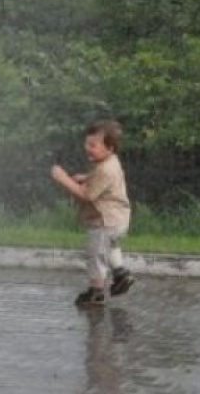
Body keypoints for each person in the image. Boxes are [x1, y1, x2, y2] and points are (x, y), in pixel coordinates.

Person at [50, 120, 135, 307]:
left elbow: (87, 195)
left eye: (92, 145)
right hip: (118, 220)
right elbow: (102, 177)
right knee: (110, 247)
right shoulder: (111, 162)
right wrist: (86, 177)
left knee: (96, 254)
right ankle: (121, 274)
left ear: (109, 148)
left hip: (105, 221)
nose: (87, 148)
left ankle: (96, 293)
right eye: (86, 144)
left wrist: (62, 178)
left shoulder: (105, 169)